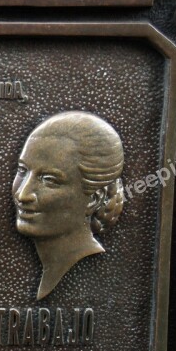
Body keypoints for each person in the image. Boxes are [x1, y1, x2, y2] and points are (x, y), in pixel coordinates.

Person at [12, 111, 125, 300]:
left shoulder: (93, 279)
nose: (22, 194)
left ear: (94, 199)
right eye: (23, 171)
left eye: (48, 180)